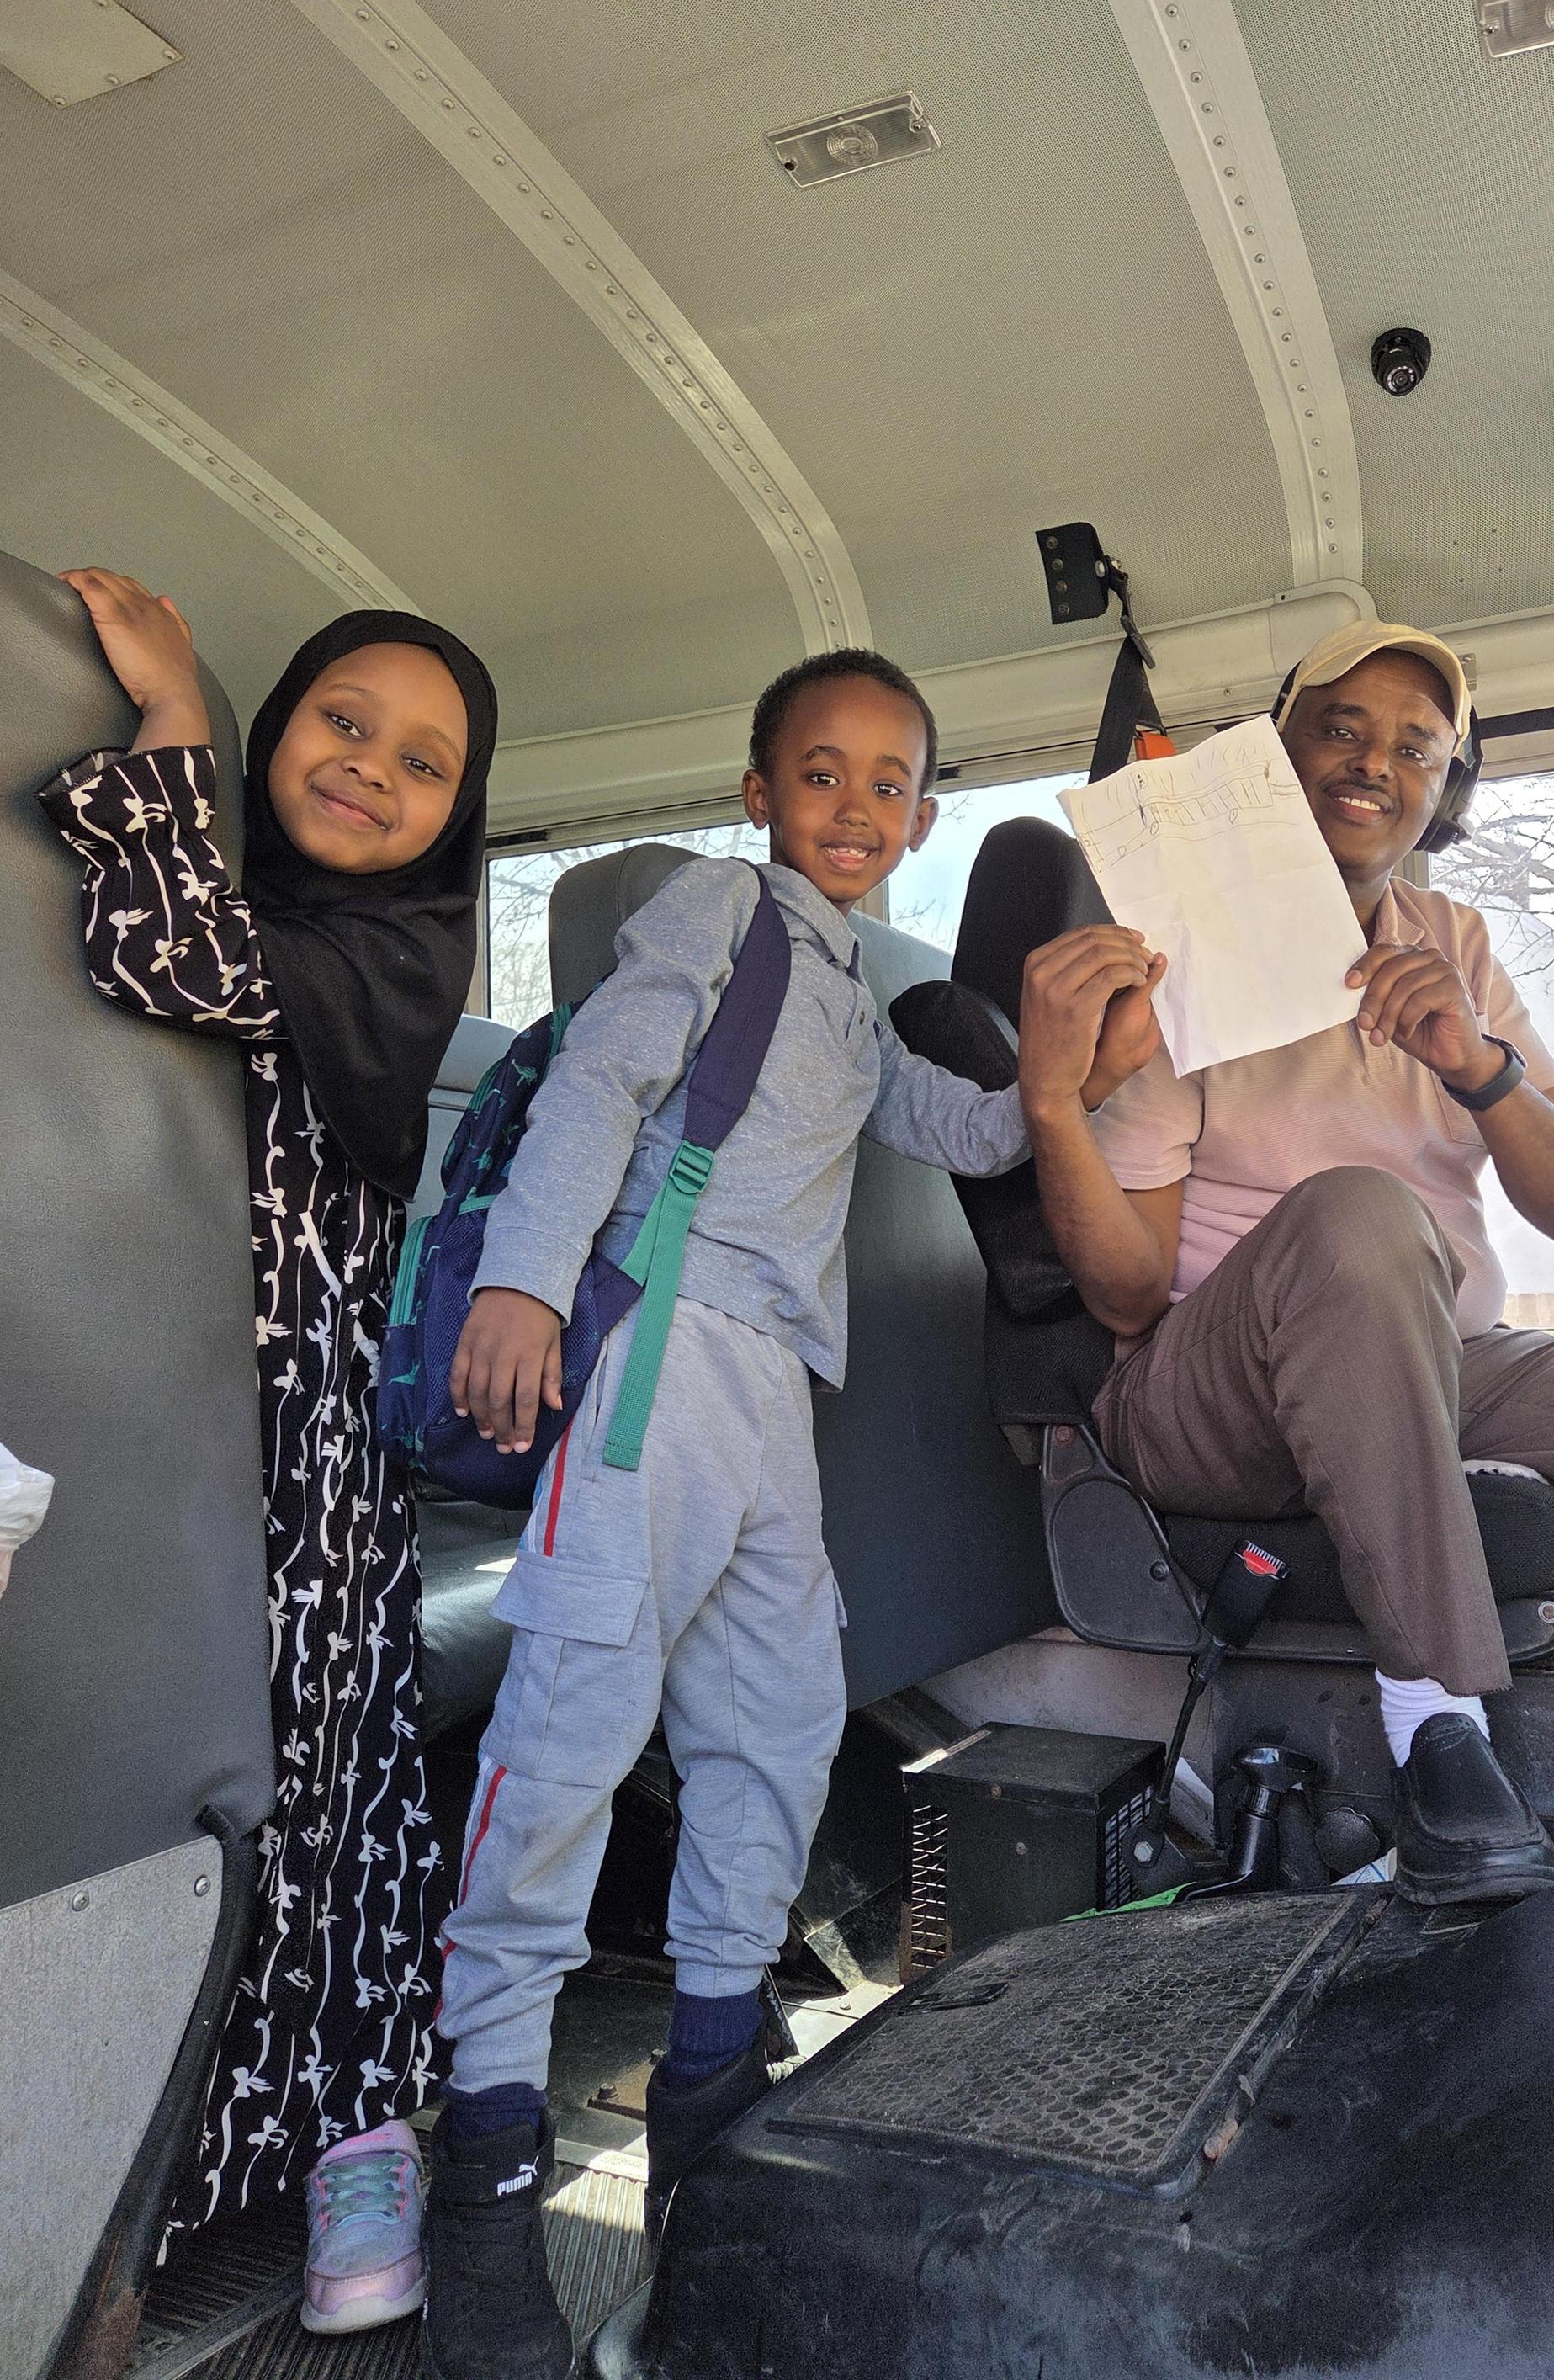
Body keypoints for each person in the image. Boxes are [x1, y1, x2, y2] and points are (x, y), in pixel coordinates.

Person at [424, 647, 1155, 2380]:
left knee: (774, 1728)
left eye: (891, 782)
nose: (855, 805)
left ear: (922, 818)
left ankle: (708, 2082)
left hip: (771, 1396)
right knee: (573, 1734)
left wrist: (1084, 1059)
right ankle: (489, 2159)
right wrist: (525, 1282)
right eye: (820, 772)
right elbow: (603, 1082)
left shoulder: (841, 986)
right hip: (662, 1349)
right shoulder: (716, 909)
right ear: (760, 794)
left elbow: (972, 1132)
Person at [1022, 618, 1554, 1903]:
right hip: (1209, 1383)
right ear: (1272, 758)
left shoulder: (1451, 940)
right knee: (1362, 1215)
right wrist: (1051, 1103)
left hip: (1438, 1351)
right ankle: (1437, 1722)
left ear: (1444, 790)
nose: (1373, 763)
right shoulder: (1178, 943)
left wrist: (1478, 1066)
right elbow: (1127, 1291)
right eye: (1337, 729)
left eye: (1414, 748)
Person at [40, 569, 498, 2337]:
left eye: (424, 761)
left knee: (337, 1790)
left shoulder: (393, 953)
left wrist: (174, 718)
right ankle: (140, 2173)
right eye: (340, 722)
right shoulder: (232, 888)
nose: (372, 765)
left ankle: (356, 2134)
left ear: (459, 816)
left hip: (313, 1456)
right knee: (164, 1779)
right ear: (282, 731)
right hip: (152, 1432)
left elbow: (163, 953)